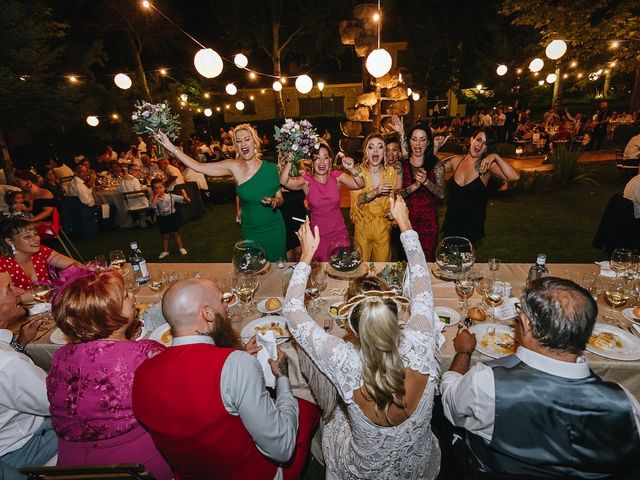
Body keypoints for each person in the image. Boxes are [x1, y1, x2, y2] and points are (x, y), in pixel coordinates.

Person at [283, 196, 443, 479]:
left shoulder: (344, 358)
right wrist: (404, 222)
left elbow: (293, 314)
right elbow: (421, 278)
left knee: (332, 420)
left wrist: (306, 255)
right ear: (397, 315)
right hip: (416, 465)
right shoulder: (422, 336)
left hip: (365, 471)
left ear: (352, 328)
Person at [441, 277, 640, 477]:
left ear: (526, 324)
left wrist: (463, 353)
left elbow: (450, 405)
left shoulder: (488, 383)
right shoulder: (626, 405)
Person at [132, 278, 320, 480]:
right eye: (222, 301)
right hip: (254, 473)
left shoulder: (142, 373)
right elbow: (282, 448)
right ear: (207, 313)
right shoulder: (235, 365)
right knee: (307, 407)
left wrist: (238, 359)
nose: (227, 308)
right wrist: (282, 378)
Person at [47, 267, 172, 479]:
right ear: (108, 314)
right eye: (125, 296)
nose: (132, 296)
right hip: (135, 468)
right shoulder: (144, 354)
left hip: (70, 469)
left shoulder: (59, 356)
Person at [155, 124, 287, 262]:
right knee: (255, 267)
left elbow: (280, 198)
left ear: (255, 142)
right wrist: (170, 147)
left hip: (274, 227)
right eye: (239, 141)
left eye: (247, 139)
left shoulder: (271, 169)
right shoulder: (233, 166)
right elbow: (198, 166)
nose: (243, 144)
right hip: (251, 228)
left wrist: (275, 201)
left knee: (277, 270)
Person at [280, 142, 363, 261]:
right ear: (312, 162)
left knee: (341, 272)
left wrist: (352, 168)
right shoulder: (307, 181)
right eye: (317, 158)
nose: (322, 162)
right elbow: (284, 181)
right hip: (318, 237)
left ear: (330, 160)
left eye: (325, 158)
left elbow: (359, 184)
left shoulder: (337, 177)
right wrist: (291, 159)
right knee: (321, 275)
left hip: (339, 234)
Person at [441, 128, 520, 244]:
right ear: (471, 140)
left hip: (471, 229)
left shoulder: (486, 166)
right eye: (478, 140)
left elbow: (514, 176)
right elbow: (432, 168)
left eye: (485, 144)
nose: (479, 145)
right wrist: (435, 147)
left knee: (465, 260)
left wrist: (495, 157)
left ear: (486, 148)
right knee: (447, 259)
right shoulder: (455, 161)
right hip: (451, 224)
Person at [391, 121, 447, 261]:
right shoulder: (402, 165)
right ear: (409, 141)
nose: (418, 144)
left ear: (428, 143)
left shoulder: (436, 165)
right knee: (407, 262)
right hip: (407, 223)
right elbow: (397, 194)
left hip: (429, 225)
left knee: (426, 263)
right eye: (414, 139)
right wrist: (415, 186)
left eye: (422, 140)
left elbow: (441, 193)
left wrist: (426, 182)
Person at [350, 134, 402, 262]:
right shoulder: (358, 172)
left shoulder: (391, 172)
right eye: (371, 147)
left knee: (383, 267)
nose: (375, 151)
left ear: (384, 152)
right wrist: (376, 191)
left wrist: (392, 211)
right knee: (361, 266)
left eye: (380, 147)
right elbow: (359, 200)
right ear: (366, 151)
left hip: (383, 226)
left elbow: (394, 196)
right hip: (363, 224)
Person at [0, 218, 78, 291]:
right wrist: (56, 286)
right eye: (27, 237)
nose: (36, 239)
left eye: (36, 234)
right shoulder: (3, 264)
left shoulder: (40, 251)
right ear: (10, 241)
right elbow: (9, 298)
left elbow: (75, 265)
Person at [150, 178, 190, 259]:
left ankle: (181, 248)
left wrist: (185, 196)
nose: (158, 189)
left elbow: (186, 201)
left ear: (164, 188)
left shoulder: (171, 196)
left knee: (176, 233)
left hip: (172, 217)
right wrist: (156, 196)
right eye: (156, 188)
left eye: (160, 187)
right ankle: (165, 251)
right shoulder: (153, 199)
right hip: (161, 218)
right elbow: (153, 206)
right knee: (165, 235)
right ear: (153, 190)